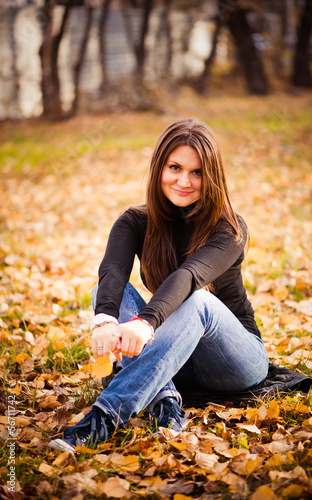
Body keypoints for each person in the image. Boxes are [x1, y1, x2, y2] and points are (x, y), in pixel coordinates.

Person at [50, 118, 269, 453]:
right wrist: (105, 320)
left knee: (199, 302)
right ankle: (166, 402)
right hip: (173, 355)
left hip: (234, 360)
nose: (184, 181)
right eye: (175, 167)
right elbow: (113, 270)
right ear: (159, 168)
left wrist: (145, 322)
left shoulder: (229, 229)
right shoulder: (134, 221)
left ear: (212, 176)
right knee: (106, 296)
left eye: (197, 172)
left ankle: (103, 419)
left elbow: (189, 276)